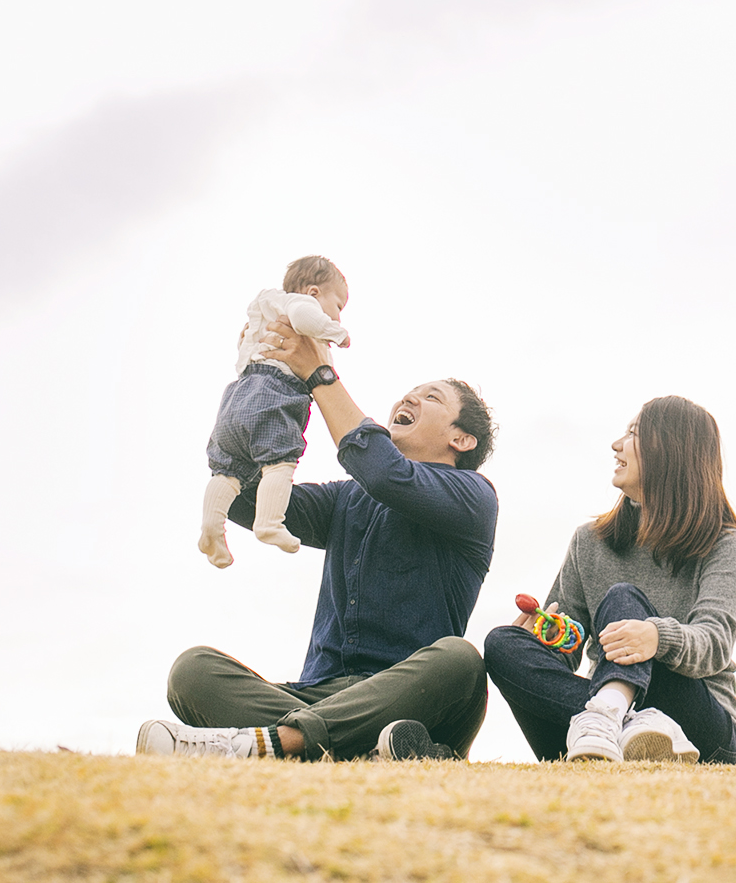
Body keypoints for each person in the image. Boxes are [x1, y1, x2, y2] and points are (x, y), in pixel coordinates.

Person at [137, 319, 498, 762]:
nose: (410, 398)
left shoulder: (475, 497)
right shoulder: (347, 498)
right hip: (325, 699)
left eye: (431, 397)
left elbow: (384, 472)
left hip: (411, 696)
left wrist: (321, 375)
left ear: (460, 439)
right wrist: (260, 386)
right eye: (412, 391)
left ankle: (280, 742)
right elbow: (244, 502)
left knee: (460, 661)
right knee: (192, 672)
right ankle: (356, 747)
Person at [483, 395, 736, 764]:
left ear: (672, 450)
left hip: (701, 730)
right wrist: (546, 642)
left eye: (633, 433)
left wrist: (657, 637)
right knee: (502, 643)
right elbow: (566, 654)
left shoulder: (723, 542)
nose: (617, 445)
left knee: (622, 599)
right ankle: (621, 722)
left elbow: (715, 644)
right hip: (598, 735)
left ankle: (609, 718)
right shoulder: (590, 542)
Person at [198, 255, 351, 568]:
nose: (337, 315)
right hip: (273, 395)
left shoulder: (264, 309)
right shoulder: (298, 304)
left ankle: (211, 529)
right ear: (314, 293)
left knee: (228, 472)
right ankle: (269, 522)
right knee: (280, 462)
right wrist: (336, 333)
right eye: (338, 306)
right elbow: (306, 318)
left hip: (238, 396)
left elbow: (243, 351)